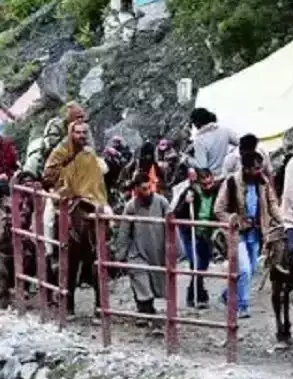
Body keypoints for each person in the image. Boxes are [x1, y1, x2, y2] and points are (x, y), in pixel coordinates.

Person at [216, 151, 282, 318]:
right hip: (237, 233)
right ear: (245, 168)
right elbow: (219, 209)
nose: (259, 171)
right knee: (244, 269)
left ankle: (228, 294)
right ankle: (242, 306)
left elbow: (272, 203)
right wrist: (234, 220)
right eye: (255, 168)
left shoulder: (262, 182)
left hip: (256, 232)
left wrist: (282, 221)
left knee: (251, 269)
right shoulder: (231, 182)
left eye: (260, 168)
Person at [113, 174, 171, 320]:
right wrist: (121, 254)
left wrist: (173, 250)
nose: (146, 192)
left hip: (157, 249)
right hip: (137, 251)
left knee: (155, 282)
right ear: (136, 189)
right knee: (140, 278)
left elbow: (172, 225)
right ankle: (145, 312)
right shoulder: (131, 206)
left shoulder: (162, 202)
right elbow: (124, 231)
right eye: (143, 189)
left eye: (148, 188)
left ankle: (147, 311)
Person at [173, 169, 218, 309]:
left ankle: (195, 293)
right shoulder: (190, 191)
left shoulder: (217, 192)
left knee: (203, 266)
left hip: (206, 234)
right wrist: (186, 202)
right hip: (190, 233)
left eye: (210, 183)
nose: (208, 187)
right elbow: (177, 213)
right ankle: (198, 295)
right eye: (204, 184)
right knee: (196, 265)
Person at [52, 121, 108, 207]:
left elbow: (98, 179)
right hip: (71, 195)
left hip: (91, 197)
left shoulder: (89, 153)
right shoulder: (63, 154)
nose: (81, 135)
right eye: (78, 132)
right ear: (71, 134)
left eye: (84, 133)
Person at [186, 108, 240, 179]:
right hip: (231, 174)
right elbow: (240, 142)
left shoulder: (199, 140)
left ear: (197, 123)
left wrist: (187, 159)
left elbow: (202, 166)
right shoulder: (224, 130)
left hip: (214, 179)